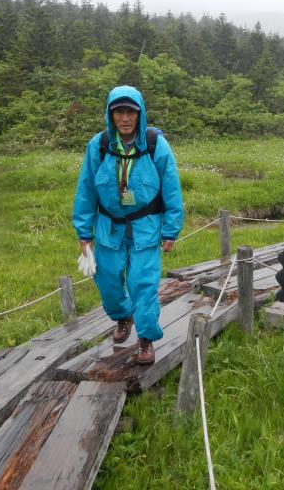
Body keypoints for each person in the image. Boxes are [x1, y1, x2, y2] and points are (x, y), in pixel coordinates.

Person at [73, 85, 183, 365]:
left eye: (130, 112)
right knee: (108, 281)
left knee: (142, 285)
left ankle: (146, 339)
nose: (124, 118)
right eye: (119, 112)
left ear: (139, 114)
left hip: (145, 227)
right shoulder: (98, 146)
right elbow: (86, 190)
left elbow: (171, 188)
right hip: (109, 228)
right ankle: (123, 317)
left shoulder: (156, 145)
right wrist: (84, 233)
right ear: (111, 115)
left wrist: (171, 229)